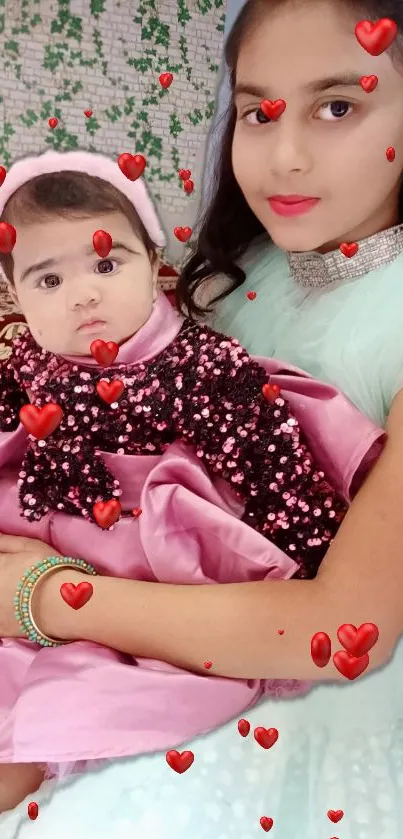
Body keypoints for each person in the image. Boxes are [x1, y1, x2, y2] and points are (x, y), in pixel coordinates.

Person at [1, 0, 403, 834]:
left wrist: (44, 593)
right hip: (140, 609)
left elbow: (338, 622)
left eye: (338, 105)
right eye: (258, 110)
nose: (284, 155)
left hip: (297, 678)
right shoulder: (242, 271)